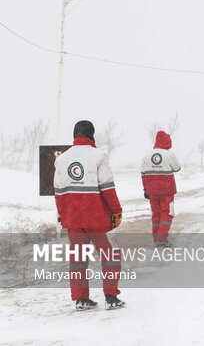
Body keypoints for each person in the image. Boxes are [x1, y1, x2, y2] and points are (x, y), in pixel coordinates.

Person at [54, 120, 126, 310]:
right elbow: (108, 188)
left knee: (78, 258)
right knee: (110, 254)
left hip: (73, 220)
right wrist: (117, 211)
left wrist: (63, 215)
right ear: (92, 135)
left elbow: (59, 193)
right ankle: (111, 297)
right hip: (97, 218)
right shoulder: (98, 156)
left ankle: (81, 299)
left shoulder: (62, 159)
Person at [141, 130, 181, 247]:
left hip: (152, 191)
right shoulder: (169, 154)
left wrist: (145, 189)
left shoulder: (146, 156)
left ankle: (156, 238)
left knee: (156, 214)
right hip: (167, 190)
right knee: (167, 213)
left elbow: (143, 174)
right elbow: (177, 168)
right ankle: (162, 239)